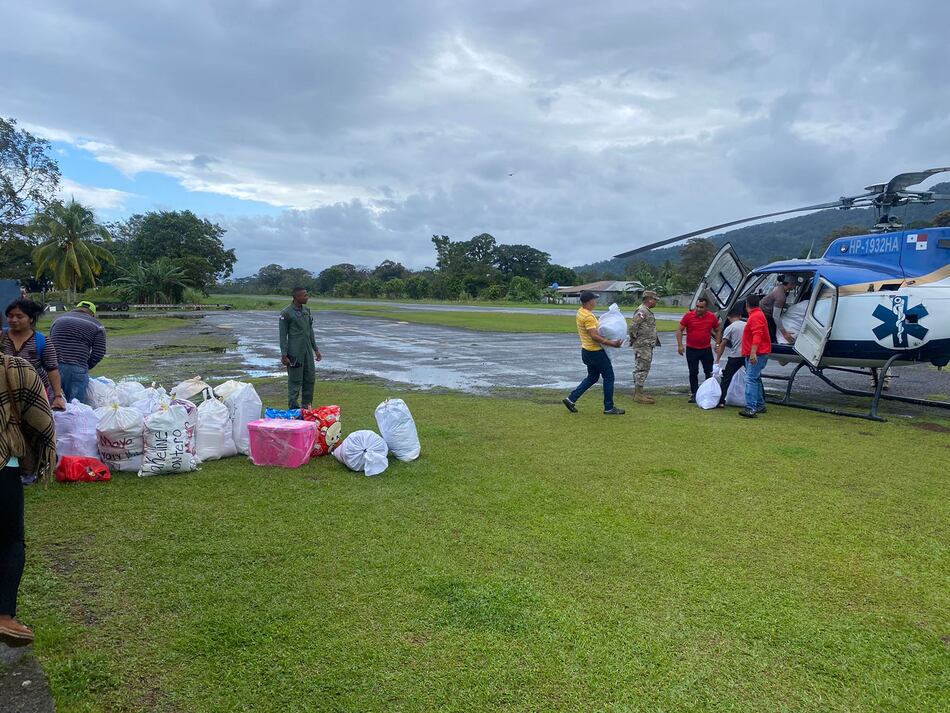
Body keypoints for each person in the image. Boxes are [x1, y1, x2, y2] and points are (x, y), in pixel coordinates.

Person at [0, 355, 57, 647]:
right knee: (10, 540)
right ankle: (4, 616)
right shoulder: (15, 368)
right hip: (3, 468)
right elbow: (40, 419)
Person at [563, 291, 625, 415]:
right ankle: (609, 407)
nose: (596, 302)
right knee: (609, 377)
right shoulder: (588, 317)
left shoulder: (580, 312)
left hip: (586, 351)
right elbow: (594, 336)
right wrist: (611, 343)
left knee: (592, 377)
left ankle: (571, 399)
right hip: (595, 352)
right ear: (589, 301)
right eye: (594, 300)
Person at [1, 299, 66, 411]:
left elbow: (52, 370)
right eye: (10, 316)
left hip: (34, 393)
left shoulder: (42, 341)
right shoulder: (1, 337)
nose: (13, 320)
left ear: (31, 319)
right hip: (5, 393)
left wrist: (58, 396)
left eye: (19, 317)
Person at [48, 300, 107, 404]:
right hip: (76, 368)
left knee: (49, 404)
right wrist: (85, 366)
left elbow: (49, 343)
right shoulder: (97, 325)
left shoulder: (58, 319)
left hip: (52, 368)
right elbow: (99, 352)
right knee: (76, 408)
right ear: (93, 314)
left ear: (75, 309)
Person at [279, 287, 322, 410]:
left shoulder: (307, 310)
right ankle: (293, 409)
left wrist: (316, 349)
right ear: (296, 297)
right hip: (294, 352)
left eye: (307, 295)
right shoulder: (286, 313)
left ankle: (306, 407)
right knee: (295, 381)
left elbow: (310, 331)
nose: (307, 297)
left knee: (309, 378)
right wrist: (284, 354)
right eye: (304, 295)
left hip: (307, 351)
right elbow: (282, 335)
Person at [676, 297, 721, 403]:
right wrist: (680, 345)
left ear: (706, 308)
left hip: (706, 349)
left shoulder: (712, 317)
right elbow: (679, 330)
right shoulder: (688, 316)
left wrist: (717, 343)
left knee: (708, 371)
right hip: (692, 349)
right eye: (697, 306)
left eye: (701, 307)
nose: (699, 309)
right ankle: (694, 393)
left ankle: (708, 392)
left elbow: (718, 330)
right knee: (693, 371)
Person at [740, 293, 771, 418]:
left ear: (747, 304)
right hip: (759, 352)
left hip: (757, 353)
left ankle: (751, 407)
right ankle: (759, 404)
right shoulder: (757, 315)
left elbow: (757, 335)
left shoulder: (755, 317)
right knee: (755, 378)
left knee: (750, 379)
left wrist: (753, 353)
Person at [628, 290, 660, 404]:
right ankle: (638, 395)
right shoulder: (642, 311)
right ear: (649, 300)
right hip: (643, 345)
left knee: (644, 367)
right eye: (655, 300)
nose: (656, 302)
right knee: (642, 367)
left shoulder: (646, 311)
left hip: (646, 344)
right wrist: (635, 339)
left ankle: (640, 393)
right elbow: (633, 326)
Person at [715, 305, 746, 408]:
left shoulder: (730, 328)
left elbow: (723, 344)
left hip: (735, 356)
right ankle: (758, 400)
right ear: (740, 316)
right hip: (747, 355)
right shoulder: (747, 325)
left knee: (726, 378)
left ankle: (721, 401)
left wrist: (717, 359)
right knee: (753, 378)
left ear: (729, 317)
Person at [760, 275, 795, 344]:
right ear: (790, 284)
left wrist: (791, 307)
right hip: (765, 315)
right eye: (794, 284)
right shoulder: (781, 296)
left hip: (764, 311)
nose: (795, 287)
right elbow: (775, 316)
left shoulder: (779, 287)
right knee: (772, 338)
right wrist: (785, 333)